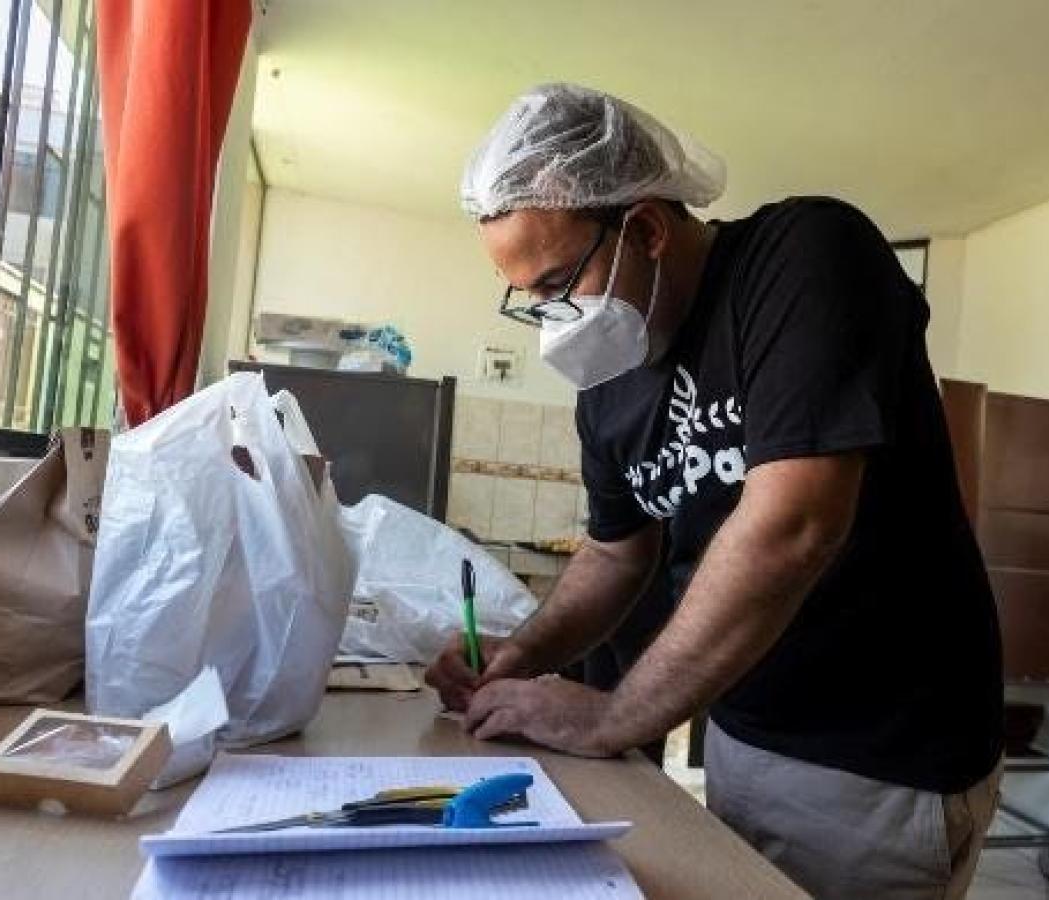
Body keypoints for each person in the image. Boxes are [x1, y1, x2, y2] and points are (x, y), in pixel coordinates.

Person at [426, 82, 1003, 900]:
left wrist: (613, 715)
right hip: (744, 726)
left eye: (560, 282)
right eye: (533, 298)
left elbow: (795, 523)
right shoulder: (612, 381)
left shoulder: (806, 256)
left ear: (648, 229)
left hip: (879, 753)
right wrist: (522, 656)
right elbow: (616, 553)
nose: (555, 318)